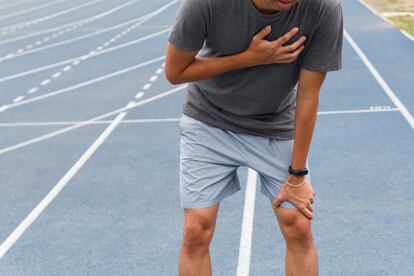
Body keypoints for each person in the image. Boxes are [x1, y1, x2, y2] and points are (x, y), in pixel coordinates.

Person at [165, 0, 343, 275]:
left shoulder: (322, 8)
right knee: (196, 230)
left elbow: (308, 95)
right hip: (209, 121)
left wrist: (297, 175)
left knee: (298, 226)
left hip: (275, 125)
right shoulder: (204, 4)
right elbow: (175, 72)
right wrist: (248, 58)